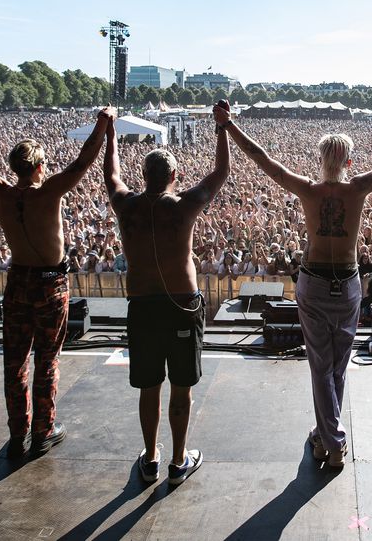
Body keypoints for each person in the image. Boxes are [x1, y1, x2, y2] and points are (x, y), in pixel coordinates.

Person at [221, 96, 372, 469]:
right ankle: (328, 437)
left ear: (320, 159)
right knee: (336, 366)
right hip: (348, 283)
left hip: (313, 283)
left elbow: (263, 159)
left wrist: (230, 126)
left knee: (322, 367)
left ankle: (329, 440)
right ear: (349, 162)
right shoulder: (358, 188)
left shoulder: (307, 189)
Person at [0, 103, 116, 460]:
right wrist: (103, 122)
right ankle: (43, 432)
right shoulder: (48, 193)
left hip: (18, 282)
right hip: (50, 285)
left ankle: (18, 434)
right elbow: (83, 161)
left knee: (14, 363)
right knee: (47, 361)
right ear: (41, 166)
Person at [105, 102, 230, 487]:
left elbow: (110, 174)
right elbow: (221, 173)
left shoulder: (126, 206)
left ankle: (150, 457)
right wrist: (222, 128)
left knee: (148, 386)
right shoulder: (184, 206)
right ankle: (178, 460)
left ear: (143, 176)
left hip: (142, 306)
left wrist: (109, 133)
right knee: (181, 386)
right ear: (175, 175)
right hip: (181, 305)